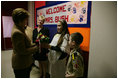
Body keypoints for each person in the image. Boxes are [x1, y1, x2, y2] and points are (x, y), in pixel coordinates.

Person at [11, 8, 39, 78]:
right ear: (20, 21)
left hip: (25, 62)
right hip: (21, 64)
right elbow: (23, 51)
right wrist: (37, 48)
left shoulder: (20, 27)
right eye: (25, 20)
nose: (26, 22)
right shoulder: (17, 32)